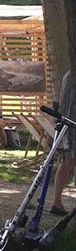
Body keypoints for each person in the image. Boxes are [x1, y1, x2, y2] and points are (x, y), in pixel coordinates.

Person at [50, 70, 74, 216]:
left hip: (67, 123)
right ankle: (57, 202)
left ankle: (57, 202)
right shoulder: (72, 76)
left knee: (67, 163)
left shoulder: (68, 75)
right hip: (71, 124)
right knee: (67, 163)